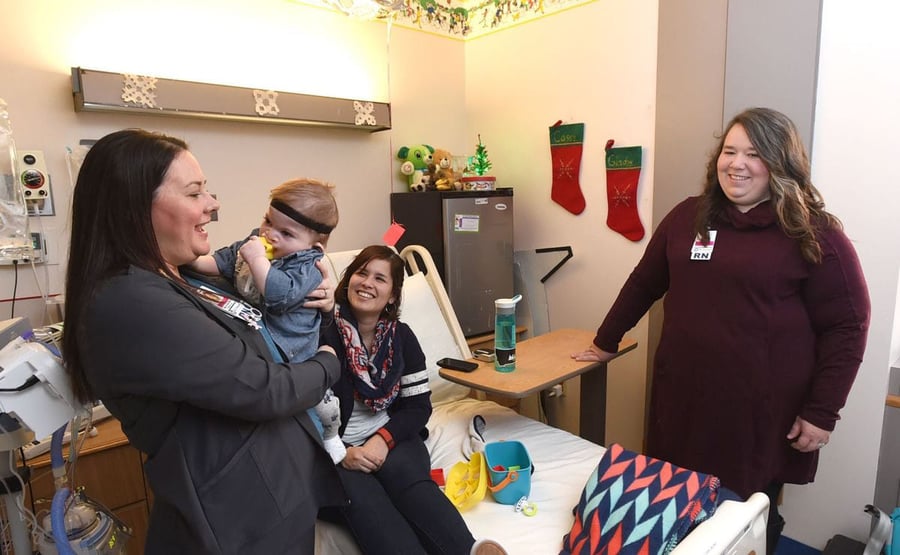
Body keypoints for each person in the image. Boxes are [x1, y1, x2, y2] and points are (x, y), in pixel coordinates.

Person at [573, 107, 870, 553]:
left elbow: (848, 326)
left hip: (759, 411)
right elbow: (644, 282)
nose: (737, 163)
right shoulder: (689, 218)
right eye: (729, 151)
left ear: (780, 163)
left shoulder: (814, 233)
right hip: (685, 396)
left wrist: (822, 411)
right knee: (677, 492)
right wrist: (604, 341)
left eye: (754, 153)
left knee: (745, 509)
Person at [61, 129, 346, 554]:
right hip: (236, 523)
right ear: (137, 207)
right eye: (195, 193)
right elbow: (263, 388)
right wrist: (329, 360)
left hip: (274, 497)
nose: (213, 204)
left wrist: (321, 309)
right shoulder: (130, 300)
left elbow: (268, 326)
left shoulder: (183, 277)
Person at [319, 245, 501, 555]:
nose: (367, 283)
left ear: (392, 295)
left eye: (380, 278)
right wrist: (341, 452)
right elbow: (302, 410)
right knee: (371, 505)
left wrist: (382, 439)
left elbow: (418, 407)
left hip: (391, 437)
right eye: (361, 273)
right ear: (347, 279)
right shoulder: (322, 333)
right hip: (333, 450)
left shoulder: (401, 338)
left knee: (411, 484)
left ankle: (470, 550)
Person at [189, 178, 346, 463]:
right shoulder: (255, 242)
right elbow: (224, 261)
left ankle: (332, 433)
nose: (270, 234)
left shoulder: (308, 265)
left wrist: (259, 260)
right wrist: (191, 261)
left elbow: (278, 295)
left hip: (297, 351)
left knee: (320, 405)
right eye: (268, 221)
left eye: (286, 233)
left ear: (315, 244)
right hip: (262, 346)